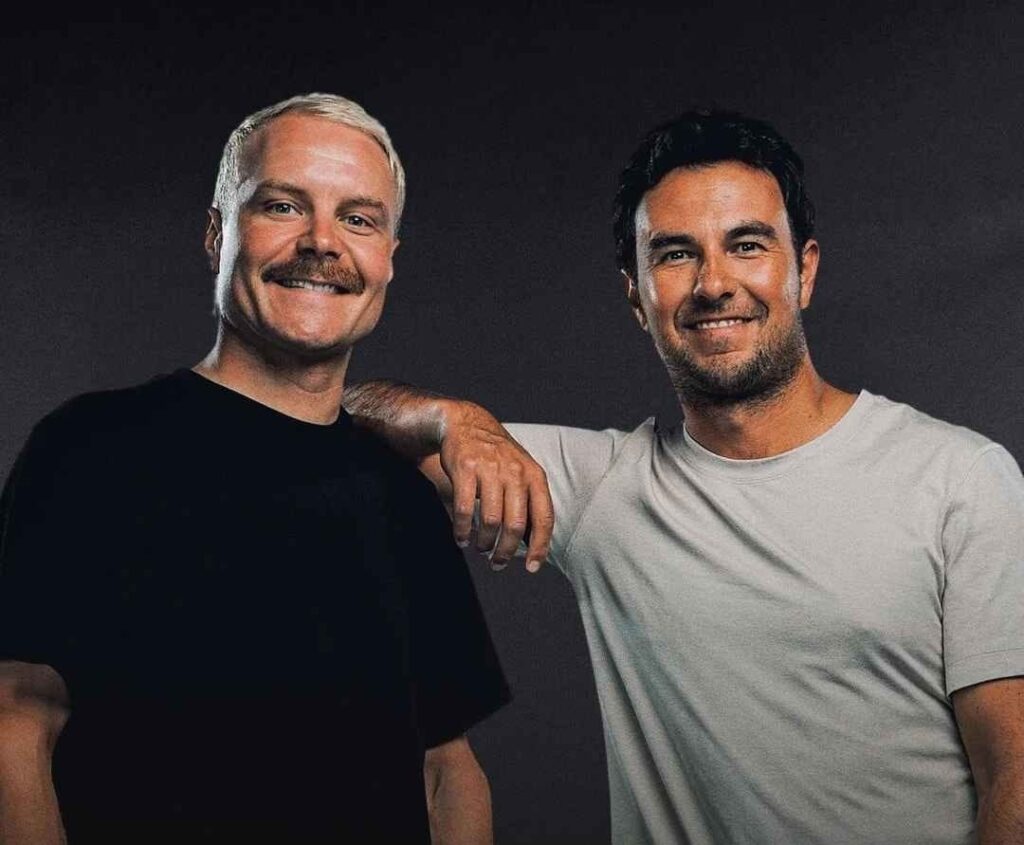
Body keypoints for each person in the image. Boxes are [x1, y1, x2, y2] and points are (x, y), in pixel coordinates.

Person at [344, 111, 1024, 843]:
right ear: (637, 297)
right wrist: (455, 420)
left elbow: (1015, 778)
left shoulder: (959, 480)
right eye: (674, 254)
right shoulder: (601, 490)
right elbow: (329, 417)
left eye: (747, 245)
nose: (713, 284)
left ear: (804, 270)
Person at [0, 93, 510, 844]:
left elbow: (446, 767)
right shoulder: (90, 448)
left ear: (389, 259)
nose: (322, 242)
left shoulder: (403, 493)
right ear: (218, 234)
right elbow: (17, 718)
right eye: (282, 206)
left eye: (359, 219)